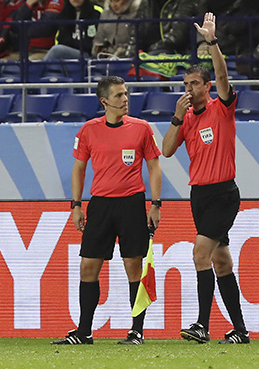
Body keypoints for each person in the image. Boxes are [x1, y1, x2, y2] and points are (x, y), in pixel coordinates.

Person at [51, 75, 162, 345]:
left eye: (126, 94)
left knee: (133, 267)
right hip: (99, 204)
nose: (125, 100)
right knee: (88, 266)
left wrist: (156, 204)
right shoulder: (88, 130)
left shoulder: (142, 128)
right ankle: (84, 332)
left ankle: (136, 331)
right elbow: (78, 168)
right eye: (119, 96)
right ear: (104, 101)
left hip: (132, 203)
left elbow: (154, 166)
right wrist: (76, 205)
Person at [161, 13, 249, 345]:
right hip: (199, 194)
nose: (189, 89)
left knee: (200, 253)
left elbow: (224, 74)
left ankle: (201, 324)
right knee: (221, 260)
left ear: (207, 87)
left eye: (194, 84)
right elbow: (167, 151)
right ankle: (240, 331)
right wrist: (176, 116)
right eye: (185, 85)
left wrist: (211, 41)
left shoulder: (221, 109)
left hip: (224, 193)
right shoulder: (185, 119)